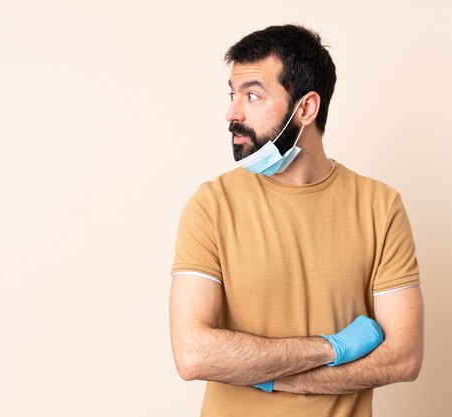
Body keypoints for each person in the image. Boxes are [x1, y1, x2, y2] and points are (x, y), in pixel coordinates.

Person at [169, 24, 424, 417]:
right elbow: (193, 354)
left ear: (305, 108)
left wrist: (269, 376)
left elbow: (403, 357)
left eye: (252, 95)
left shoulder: (380, 207)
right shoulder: (211, 206)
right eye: (233, 95)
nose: (232, 113)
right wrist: (333, 347)